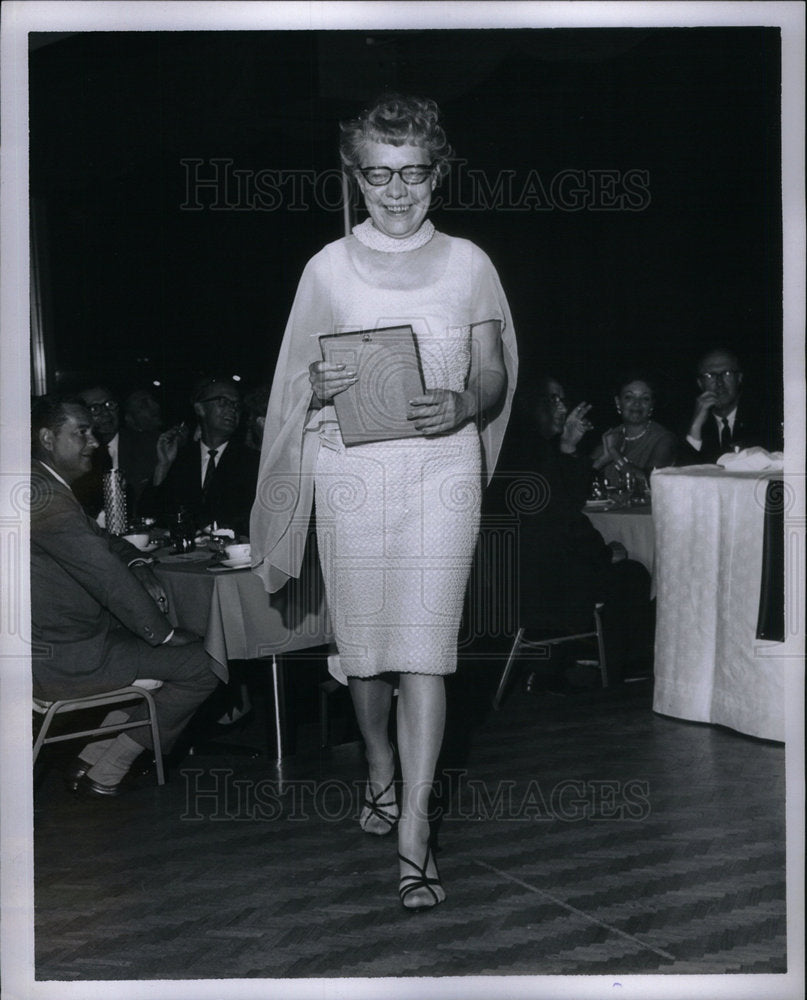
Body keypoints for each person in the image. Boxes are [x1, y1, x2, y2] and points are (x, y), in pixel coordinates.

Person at [250, 94, 517, 910]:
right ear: (354, 176)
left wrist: (466, 404)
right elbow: (295, 383)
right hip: (350, 473)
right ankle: (376, 766)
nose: (396, 192)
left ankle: (415, 831)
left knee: (427, 647)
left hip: (442, 472)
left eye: (412, 174)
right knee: (366, 649)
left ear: (436, 173)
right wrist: (318, 382)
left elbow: (493, 371)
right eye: (378, 174)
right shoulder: (325, 268)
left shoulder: (470, 262)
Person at [30, 394, 221, 798]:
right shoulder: (45, 497)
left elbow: (105, 543)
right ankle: (110, 768)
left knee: (169, 650)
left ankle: (93, 755)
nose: (94, 441)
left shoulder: (37, 484)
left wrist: (136, 563)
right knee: (205, 663)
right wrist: (162, 634)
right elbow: (104, 574)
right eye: (80, 432)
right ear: (47, 438)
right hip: (68, 658)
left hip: (56, 645)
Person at [515, 376, 652, 687]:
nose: (563, 406)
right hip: (541, 584)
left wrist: (568, 447)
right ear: (530, 406)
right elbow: (564, 524)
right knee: (633, 574)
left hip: (522, 577)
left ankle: (568, 659)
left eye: (563, 398)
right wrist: (605, 553)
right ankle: (623, 666)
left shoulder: (532, 449)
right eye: (553, 400)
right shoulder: (532, 454)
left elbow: (565, 502)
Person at [139, 376, 259, 538]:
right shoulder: (181, 459)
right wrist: (163, 465)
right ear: (200, 409)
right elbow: (148, 517)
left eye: (236, 405)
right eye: (223, 401)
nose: (232, 409)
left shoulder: (252, 462)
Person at [72, 384, 161, 522]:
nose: (106, 413)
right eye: (95, 408)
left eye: (110, 404)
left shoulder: (150, 445)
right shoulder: (75, 455)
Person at [681, 347, 782, 463]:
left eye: (727, 373)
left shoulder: (766, 418)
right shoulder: (688, 422)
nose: (719, 383)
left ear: (739, 378)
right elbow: (682, 471)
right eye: (710, 375)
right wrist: (695, 427)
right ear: (700, 383)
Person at [590, 373, 677, 487]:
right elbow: (581, 476)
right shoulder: (611, 436)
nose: (637, 403)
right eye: (629, 397)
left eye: (645, 398)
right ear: (618, 402)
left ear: (652, 405)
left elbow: (652, 482)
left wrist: (615, 454)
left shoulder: (664, 439)